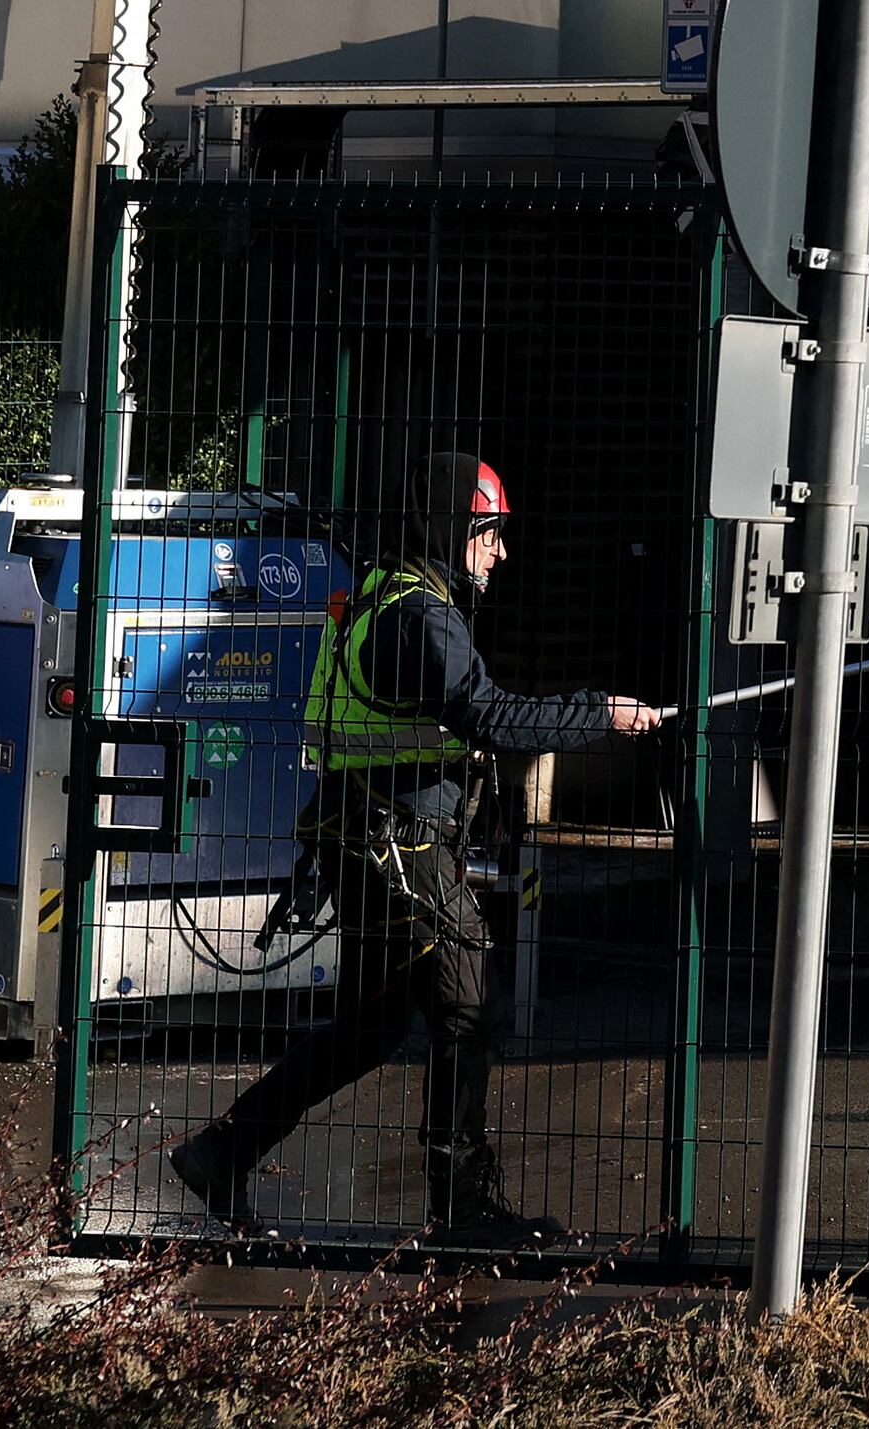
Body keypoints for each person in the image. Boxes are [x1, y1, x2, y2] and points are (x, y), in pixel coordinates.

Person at [166, 454, 665, 1243]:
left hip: (361, 838)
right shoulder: (424, 618)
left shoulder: (381, 595)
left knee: (372, 1026)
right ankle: (460, 1209)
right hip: (398, 845)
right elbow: (489, 715)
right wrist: (600, 711)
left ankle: (222, 1150)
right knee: (471, 1004)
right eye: (490, 532)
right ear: (453, 527)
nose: (501, 551)